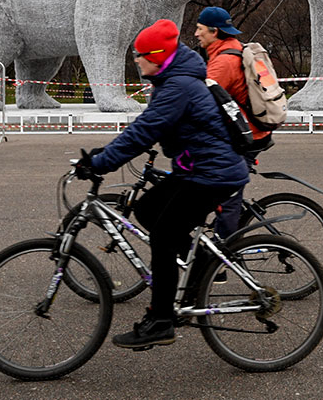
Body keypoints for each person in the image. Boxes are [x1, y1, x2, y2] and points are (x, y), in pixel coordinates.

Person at [76, 19, 249, 350]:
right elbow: (147, 127)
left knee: (164, 235)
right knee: (147, 208)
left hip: (213, 174)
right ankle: (200, 267)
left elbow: (145, 131)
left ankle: (161, 319)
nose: (136, 60)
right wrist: (103, 154)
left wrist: (100, 163)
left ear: (158, 55)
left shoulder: (178, 87)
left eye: (140, 55)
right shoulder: (171, 81)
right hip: (197, 170)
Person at [194, 6, 272, 240]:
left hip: (245, 136)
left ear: (214, 31)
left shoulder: (223, 63)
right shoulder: (234, 49)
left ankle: (220, 263)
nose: (196, 34)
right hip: (250, 130)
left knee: (227, 197)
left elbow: (202, 102)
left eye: (199, 29)